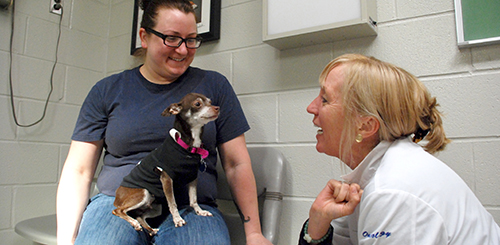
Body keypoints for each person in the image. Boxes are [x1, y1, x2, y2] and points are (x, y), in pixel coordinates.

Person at [56, 0, 271, 244]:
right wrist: (66, 239)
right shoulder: (107, 91)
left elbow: (236, 164)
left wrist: (254, 233)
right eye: (171, 38)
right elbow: (79, 170)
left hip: (191, 206)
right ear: (144, 37)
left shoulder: (215, 86)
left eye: (191, 39)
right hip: (118, 200)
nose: (182, 50)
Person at [298, 54, 500, 244]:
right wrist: (317, 224)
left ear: (366, 126)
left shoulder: (392, 192)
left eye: (325, 99)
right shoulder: (375, 175)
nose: (311, 107)